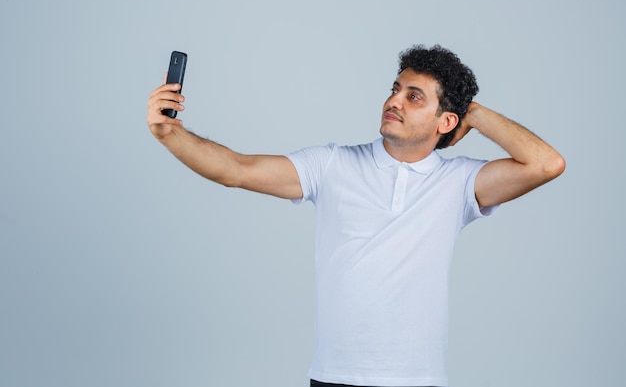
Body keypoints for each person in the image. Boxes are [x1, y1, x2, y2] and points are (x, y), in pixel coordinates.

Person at [146, 44, 565, 387]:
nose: (394, 101)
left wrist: (475, 113)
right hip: (334, 378)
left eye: (413, 96)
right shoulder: (332, 165)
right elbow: (237, 170)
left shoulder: (459, 182)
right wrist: (170, 134)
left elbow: (546, 164)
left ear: (446, 121)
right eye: (395, 89)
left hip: (418, 381)